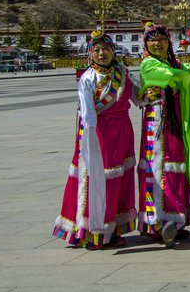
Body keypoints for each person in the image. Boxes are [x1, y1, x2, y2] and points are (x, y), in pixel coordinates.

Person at [53, 31, 139, 250]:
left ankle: (115, 226)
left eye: (106, 49)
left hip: (122, 132)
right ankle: (94, 230)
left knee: (119, 180)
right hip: (99, 134)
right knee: (98, 180)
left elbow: (140, 97)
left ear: (113, 51)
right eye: (96, 50)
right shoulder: (88, 78)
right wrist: (89, 139)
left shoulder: (123, 73)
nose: (102, 54)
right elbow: (88, 113)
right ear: (90, 54)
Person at [138, 22, 190, 248]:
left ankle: (176, 219)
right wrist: (185, 75)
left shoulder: (174, 63)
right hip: (157, 122)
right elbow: (171, 77)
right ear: (146, 44)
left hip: (176, 120)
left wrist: (187, 74)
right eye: (152, 40)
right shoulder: (148, 64)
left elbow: (188, 77)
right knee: (157, 167)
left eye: (162, 40)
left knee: (177, 165)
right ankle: (156, 220)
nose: (157, 43)